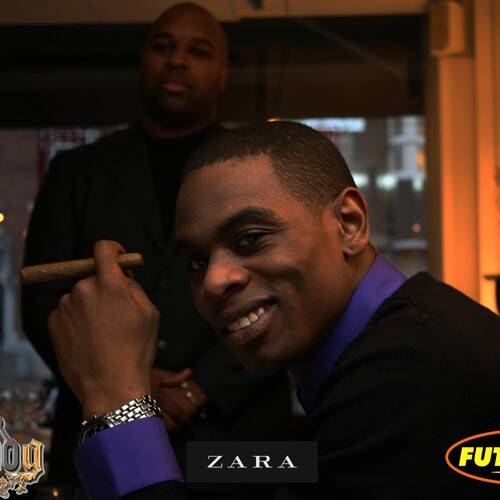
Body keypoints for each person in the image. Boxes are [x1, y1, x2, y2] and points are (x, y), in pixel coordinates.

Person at [48, 121, 500, 499]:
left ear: (349, 224)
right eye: (196, 263)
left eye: (250, 239)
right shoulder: (384, 350)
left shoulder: (409, 373)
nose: (214, 281)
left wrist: (116, 398)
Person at [21, 4, 291, 497]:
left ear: (223, 73)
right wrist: (131, 382)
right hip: (100, 435)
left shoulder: (262, 170)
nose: (177, 60)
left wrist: (199, 386)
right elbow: (42, 305)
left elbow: (286, 291)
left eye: (198, 50)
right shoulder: (76, 172)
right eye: (163, 47)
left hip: (241, 444)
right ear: (143, 61)